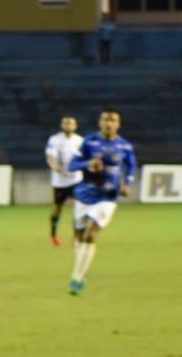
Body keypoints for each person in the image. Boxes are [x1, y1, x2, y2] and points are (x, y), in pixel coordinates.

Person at [66, 109, 136, 295]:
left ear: (118, 125)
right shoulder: (88, 142)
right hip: (84, 195)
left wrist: (127, 184)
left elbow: (131, 167)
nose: (109, 123)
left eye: (113, 120)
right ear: (100, 123)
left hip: (108, 197)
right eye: (105, 120)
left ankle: (76, 279)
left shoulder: (125, 146)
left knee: (90, 234)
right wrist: (87, 164)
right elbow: (71, 165)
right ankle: (83, 270)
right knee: (79, 238)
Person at [44, 116, 83, 248]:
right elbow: (50, 156)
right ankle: (53, 235)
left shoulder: (79, 140)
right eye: (66, 123)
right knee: (57, 208)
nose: (68, 126)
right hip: (60, 182)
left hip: (76, 180)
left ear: (75, 126)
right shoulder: (55, 139)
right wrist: (54, 166)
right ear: (62, 125)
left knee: (79, 207)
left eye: (71, 123)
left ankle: (76, 237)